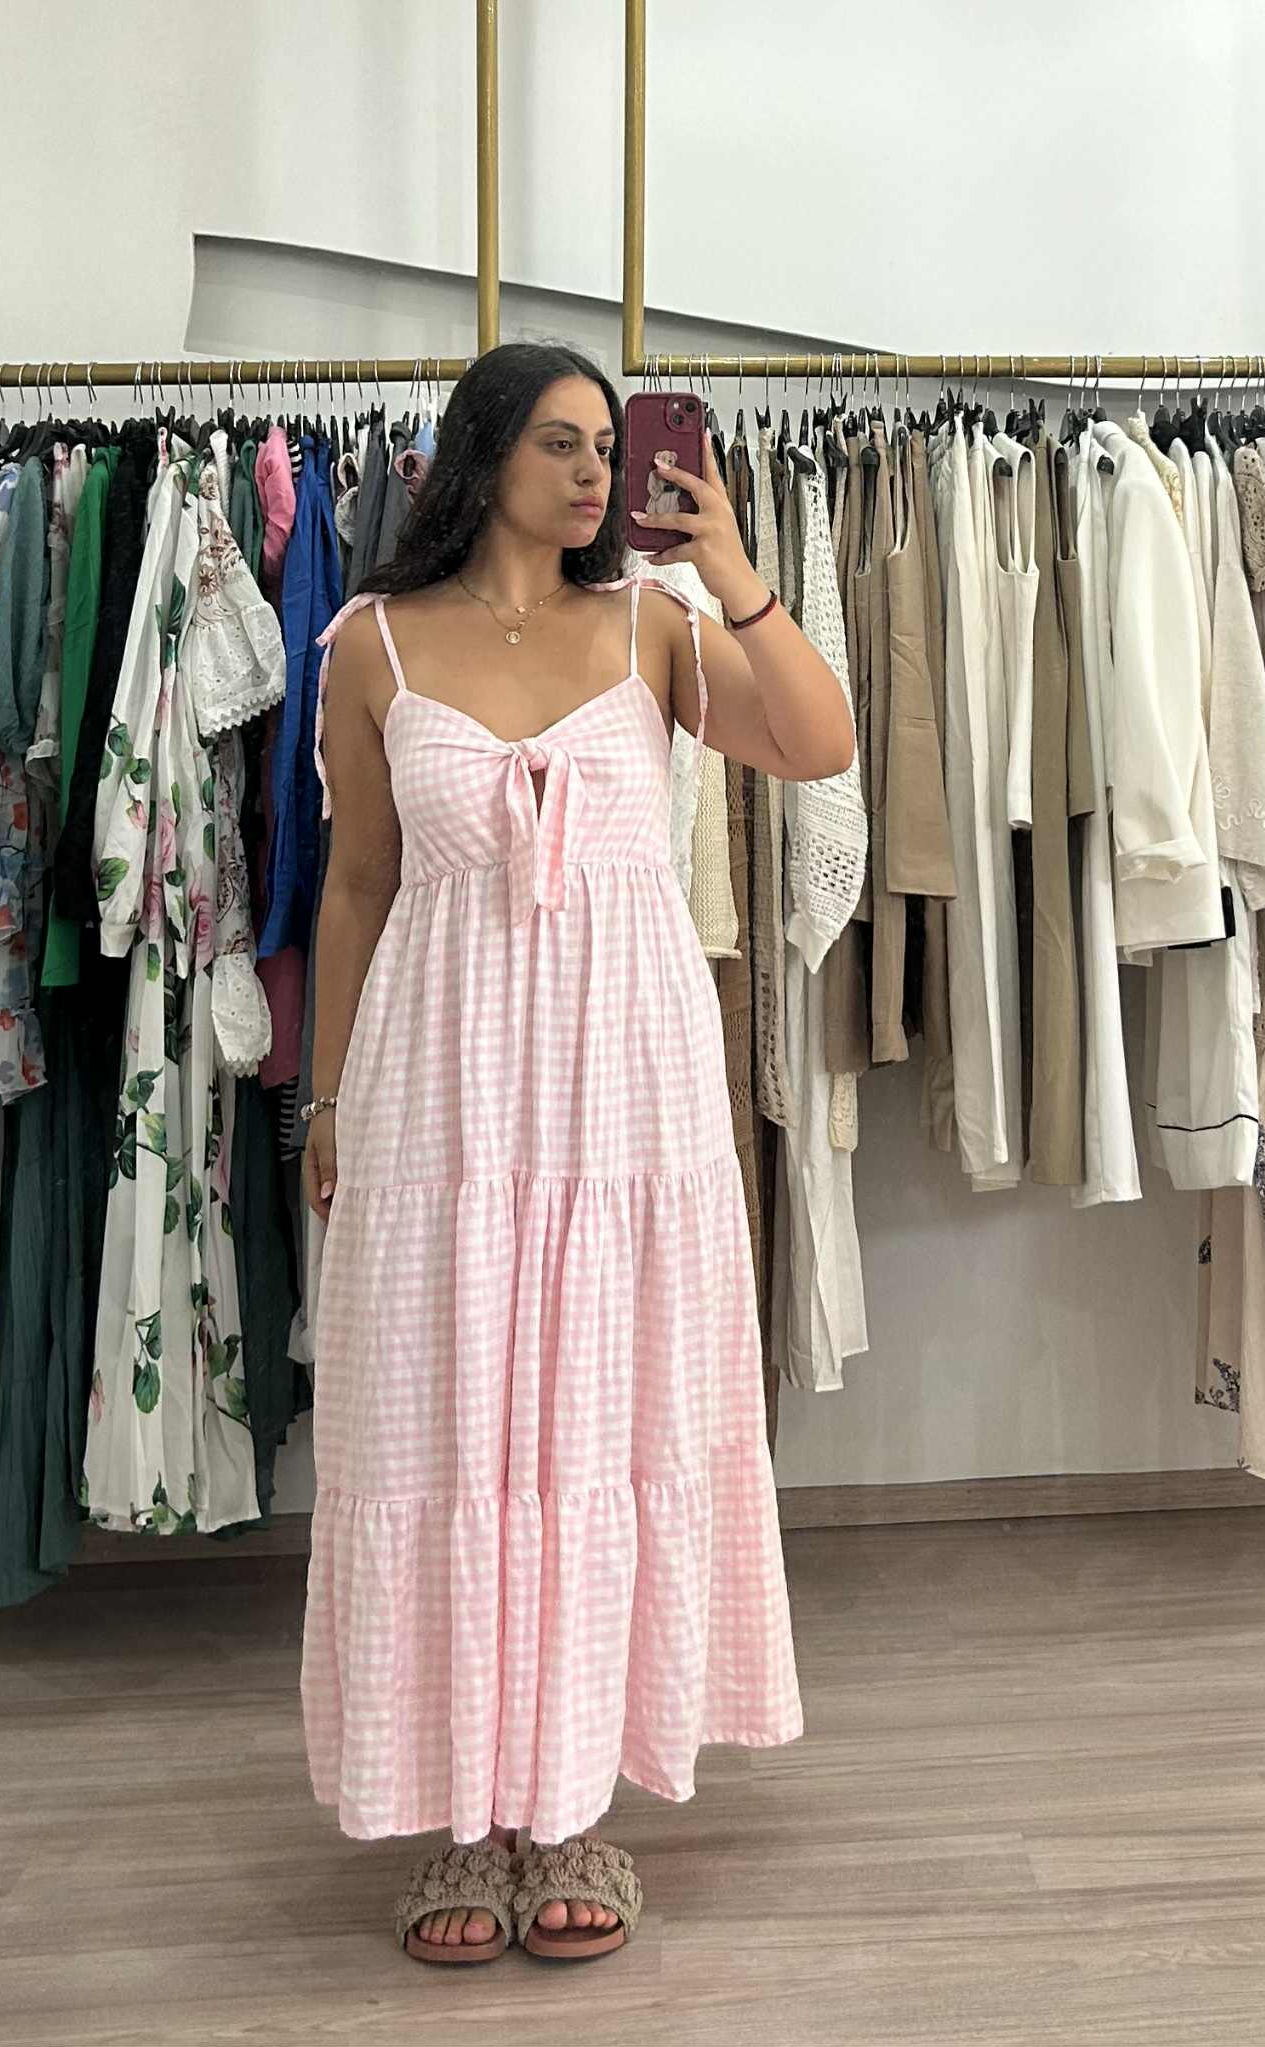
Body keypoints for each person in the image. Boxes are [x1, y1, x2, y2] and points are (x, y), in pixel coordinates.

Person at [299, 341, 854, 1964]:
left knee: (599, 1427)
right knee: (450, 1431)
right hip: (442, 1096)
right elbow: (356, 886)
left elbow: (816, 745)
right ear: (481, 455)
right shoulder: (369, 644)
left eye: (606, 444)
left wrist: (732, 568)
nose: (597, 470)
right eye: (559, 442)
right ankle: (465, 1819)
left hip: (624, 1100)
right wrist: (325, 1101)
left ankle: (570, 1810)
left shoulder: (653, 624)